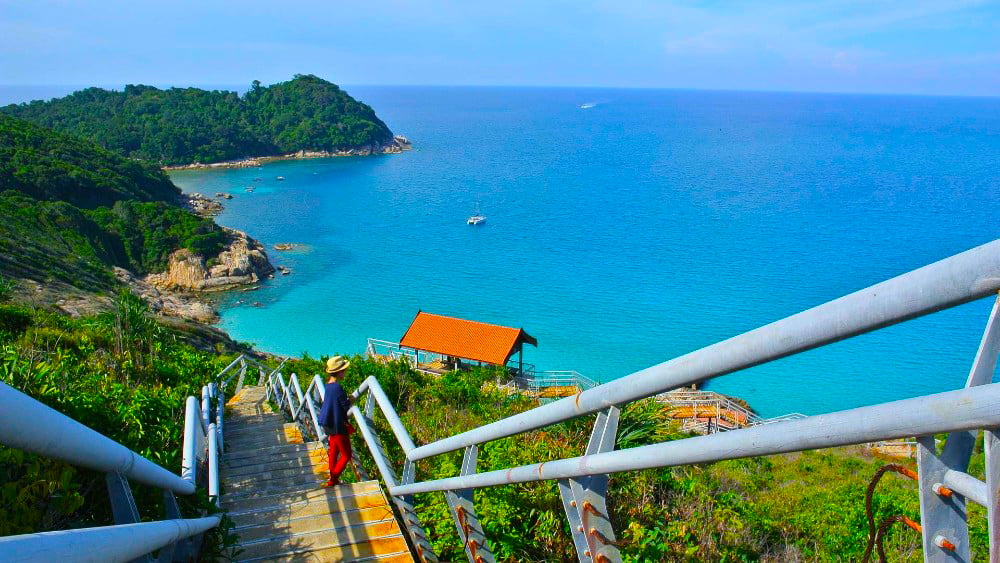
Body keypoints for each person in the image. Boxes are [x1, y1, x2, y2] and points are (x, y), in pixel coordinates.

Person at [317, 356, 354, 487]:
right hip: (338, 425)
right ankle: (333, 479)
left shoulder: (328, 385)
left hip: (328, 423)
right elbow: (345, 406)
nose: (345, 372)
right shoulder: (337, 387)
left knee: (334, 450)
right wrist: (351, 400)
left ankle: (333, 476)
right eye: (344, 370)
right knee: (346, 455)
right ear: (339, 372)